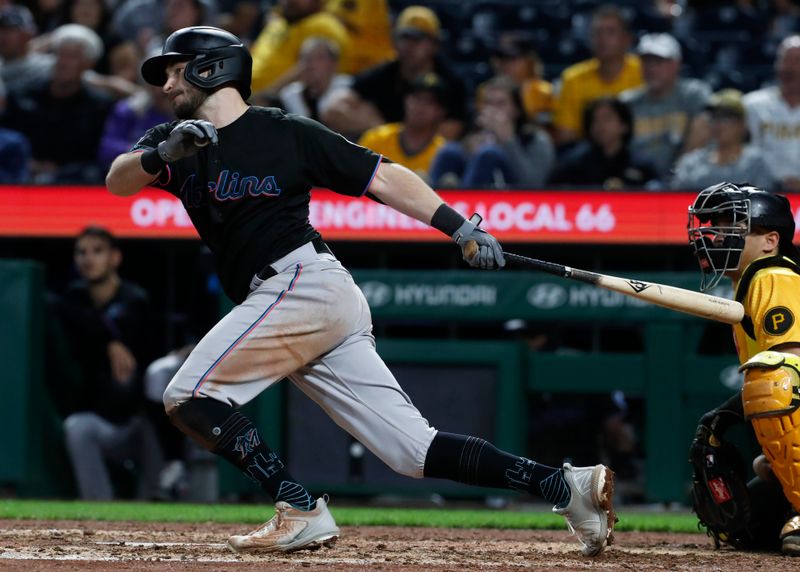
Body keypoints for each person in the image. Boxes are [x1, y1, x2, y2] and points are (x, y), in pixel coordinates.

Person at [106, 26, 616, 556]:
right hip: (303, 298)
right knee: (412, 451)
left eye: (174, 68)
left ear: (210, 68)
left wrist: (458, 227)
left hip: (302, 285)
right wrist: (161, 154)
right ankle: (565, 487)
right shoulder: (171, 141)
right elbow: (117, 181)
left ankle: (298, 507)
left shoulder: (285, 132)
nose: (166, 84)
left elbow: (383, 177)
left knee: (189, 394)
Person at [687, 182, 800, 554]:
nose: (716, 236)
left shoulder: (774, 275)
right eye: (715, 226)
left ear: (770, 240)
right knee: (750, 526)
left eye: (731, 227)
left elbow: (792, 366)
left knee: (775, 382)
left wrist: (726, 411)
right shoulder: (751, 282)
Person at [50, 226, 157, 500]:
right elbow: (77, 321)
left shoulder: (135, 299)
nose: (88, 259)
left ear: (115, 258)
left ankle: (163, 493)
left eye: (97, 251)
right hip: (97, 419)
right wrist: (109, 341)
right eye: (81, 252)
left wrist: (109, 338)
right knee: (77, 427)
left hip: (138, 421)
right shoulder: (73, 297)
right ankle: (99, 509)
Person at [321, 5, 468, 141]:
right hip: (386, 151)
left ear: (434, 45)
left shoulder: (451, 81)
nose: (408, 46)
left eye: (417, 39)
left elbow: (453, 131)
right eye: (404, 37)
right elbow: (333, 109)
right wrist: (383, 131)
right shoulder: (386, 72)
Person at [1, 23, 113, 184]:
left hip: (73, 181)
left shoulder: (99, 106)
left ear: (89, 64)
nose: (63, 62)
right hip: (22, 175)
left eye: (72, 57)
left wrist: (60, 170)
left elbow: (97, 154)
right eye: (60, 54)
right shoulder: (22, 96)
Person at [429, 75, 554, 189]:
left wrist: (508, 141)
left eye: (500, 103)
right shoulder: (472, 132)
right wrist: (468, 151)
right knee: (450, 151)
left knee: (488, 153)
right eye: (488, 103)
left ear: (517, 109)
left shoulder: (535, 139)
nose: (492, 110)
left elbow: (533, 184)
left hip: (517, 203)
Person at [619, 32, 712, 180]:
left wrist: (676, 174)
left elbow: (702, 133)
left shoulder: (692, 94)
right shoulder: (628, 101)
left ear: (676, 64)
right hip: (636, 181)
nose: (651, 68)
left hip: (683, 178)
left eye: (658, 62)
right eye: (646, 62)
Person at [552, 4, 643, 146]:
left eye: (610, 32)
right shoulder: (572, 78)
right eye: (597, 33)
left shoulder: (644, 72)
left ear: (627, 39)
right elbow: (565, 134)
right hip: (590, 154)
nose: (603, 39)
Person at [672, 90, 774, 190]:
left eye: (726, 118)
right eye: (714, 118)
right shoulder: (692, 163)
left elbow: (763, 200)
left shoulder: (756, 163)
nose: (718, 124)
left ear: (742, 124)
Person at [357, 72, 447, 183]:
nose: (421, 106)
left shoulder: (442, 152)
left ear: (440, 111)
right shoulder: (376, 138)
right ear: (406, 100)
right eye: (417, 98)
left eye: (429, 102)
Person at [249, 0, 350, 99]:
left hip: (284, 102)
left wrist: (266, 96)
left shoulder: (323, 25)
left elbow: (309, 69)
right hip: (246, 95)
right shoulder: (277, 24)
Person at [549, 97, 657, 189]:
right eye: (595, 120)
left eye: (607, 119)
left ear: (624, 126)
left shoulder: (641, 164)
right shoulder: (573, 165)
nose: (600, 126)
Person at [743, 35, 800, 193]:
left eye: (797, 60)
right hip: (762, 193)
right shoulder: (752, 105)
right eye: (785, 60)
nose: (789, 68)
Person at [278, 36, 351, 123]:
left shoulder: (349, 89)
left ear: (334, 64)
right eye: (304, 57)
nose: (310, 63)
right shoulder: (289, 96)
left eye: (319, 58)